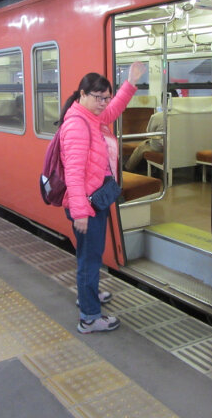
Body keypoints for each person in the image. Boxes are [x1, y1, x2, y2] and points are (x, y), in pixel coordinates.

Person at [59, 61, 146, 333]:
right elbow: (73, 174)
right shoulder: (77, 125)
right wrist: (81, 212)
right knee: (90, 259)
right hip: (86, 205)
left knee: (90, 256)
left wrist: (130, 83)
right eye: (97, 97)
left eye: (105, 97)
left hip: (92, 201)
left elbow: (114, 110)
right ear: (82, 94)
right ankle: (89, 317)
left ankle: (89, 296)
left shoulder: (91, 117)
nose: (103, 103)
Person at [124, 107, 164, 171]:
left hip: (160, 147)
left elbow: (149, 132)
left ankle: (127, 168)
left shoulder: (157, 116)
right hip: (175, 146)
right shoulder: (182, 116)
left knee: (142, 146)